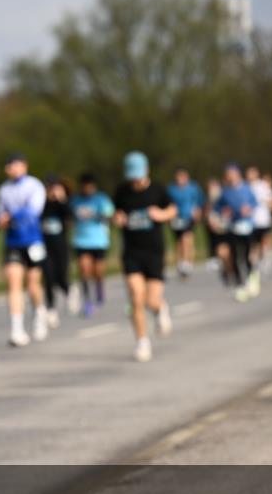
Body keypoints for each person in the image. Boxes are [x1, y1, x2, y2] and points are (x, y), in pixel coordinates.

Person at [113, 151, 176, 362]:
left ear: (146, 171)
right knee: (135, 297)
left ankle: (161, 309)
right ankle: (142, 342)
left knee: (151, 301)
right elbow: (116, 213)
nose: (136, 181)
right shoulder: (122, 192)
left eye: (138, 176)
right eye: (132, 177)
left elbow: (172, 210)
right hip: (132, 252)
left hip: (154, 252)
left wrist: (161, 214)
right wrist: (118, 218)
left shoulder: (158, 190)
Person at [0, 153, 48, 346]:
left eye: (16, 165)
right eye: (10, 166)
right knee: (13, 283)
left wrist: (11, 216)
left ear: (24, 166)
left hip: (33, 241)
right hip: (13, 242)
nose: (13, 169)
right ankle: (17, 329)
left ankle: (39, 311)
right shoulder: (3, 190)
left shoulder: (34, 185)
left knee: (33, 284)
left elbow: (34, 210)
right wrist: (0, 220)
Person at [70, 172, 114, 317]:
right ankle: (87, 300)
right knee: (84, 269)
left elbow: (110, 214)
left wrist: (102, 215)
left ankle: (99, 289)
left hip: (98, 241)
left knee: (98, 271)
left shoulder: (101, 199)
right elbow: (69, 216)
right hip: (81, 241)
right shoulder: (75, 200)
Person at [215, 163, 259, 302]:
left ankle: (251, 277)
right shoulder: (225, 192)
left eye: (232, 174)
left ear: (238, 174)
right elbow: (217, 208)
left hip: (247, 227)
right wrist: (223, 212)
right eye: (228, 175)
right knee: (234, 256)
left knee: (246, 254)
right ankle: (240, 283)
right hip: (233, 227)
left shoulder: (246, 188)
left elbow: (255, 203)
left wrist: (249, 208)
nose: (230, 177)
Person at [40, 175, 76, 327]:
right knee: (48, 278)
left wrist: (61, 200)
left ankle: (69, 290)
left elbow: (70, 218)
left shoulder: (63, 205)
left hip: (61, 246)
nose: (51, 191)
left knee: (61, 276)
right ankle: (51, 309)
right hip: (44, 247)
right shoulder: (41, 204)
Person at [166, 167, 204, 279]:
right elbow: (167, 203)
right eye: (178, 177)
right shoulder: (171, 189)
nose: (180, 180)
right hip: (176, 218)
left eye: (182, 177)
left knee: (187, 239)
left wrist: (198, 211)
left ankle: (188, 262)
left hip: (189, 217)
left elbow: (200, 201)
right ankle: (180, 262)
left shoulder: (193, 188)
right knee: (179, 242)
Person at [247, 165, 272, 287]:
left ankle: (267, 260)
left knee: (265, 241)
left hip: (263, 219)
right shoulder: (245, 187)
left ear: (256, 174)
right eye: (248, 173)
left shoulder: (263, 185)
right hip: (251, 221)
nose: (249, 175)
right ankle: (255, 265)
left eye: (251, 173)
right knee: (254, 245)